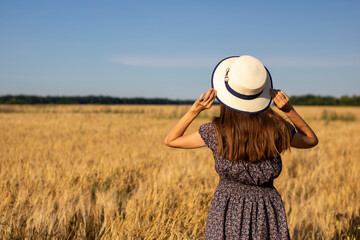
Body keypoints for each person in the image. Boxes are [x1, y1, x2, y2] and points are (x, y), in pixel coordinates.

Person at [164, 55, 318, 239]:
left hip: (227, 208)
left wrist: (194, 110)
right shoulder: (277, 130)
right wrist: (288, 110)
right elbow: (310, 139)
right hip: (266, 209)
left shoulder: (217, 132)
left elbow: (171, 140)